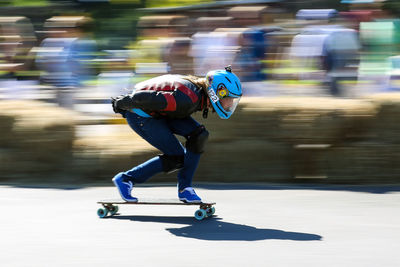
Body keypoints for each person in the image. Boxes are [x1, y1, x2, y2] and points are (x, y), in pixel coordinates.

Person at [111, 66, 242, 203]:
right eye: (229, 99)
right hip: (141, 116)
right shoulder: (187, 100)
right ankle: (126, 179)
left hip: (160, 112)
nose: (230, 103)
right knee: (177, 157)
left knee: (199, 135)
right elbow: (151, 99)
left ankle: (185, 189)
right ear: (216, 92)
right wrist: (123, 102)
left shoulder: (197, 93)